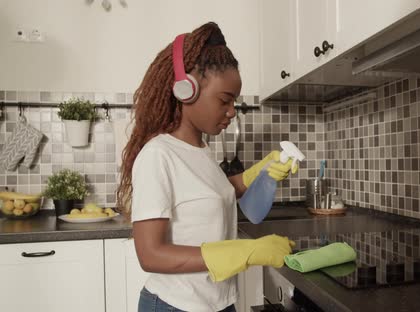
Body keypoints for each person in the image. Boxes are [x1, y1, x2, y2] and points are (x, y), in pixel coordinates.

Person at [116, 22, 297, 312]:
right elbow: (150, 254)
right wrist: (247, 251)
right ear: (186, 90)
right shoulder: (158, 155)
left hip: (218, 302)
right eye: (225, 100)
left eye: (234, 102)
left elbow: (212, 196)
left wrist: (258, 174)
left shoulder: (201, 150)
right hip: (175, 306)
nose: (231, 112)